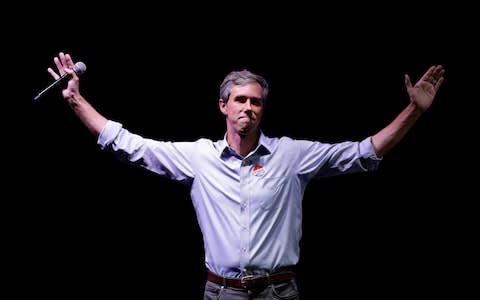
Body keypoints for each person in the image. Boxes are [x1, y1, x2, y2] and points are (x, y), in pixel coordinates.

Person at [44, 52, 444, 299]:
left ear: (262, 110)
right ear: (223, 105)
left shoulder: (291, 156)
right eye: (240, 100)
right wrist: (76, 100)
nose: (248, 107)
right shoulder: (199, 158)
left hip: (278, 291)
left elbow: (362, 153)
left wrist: (415, 111)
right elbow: (130, 145)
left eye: (256, 102)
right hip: (222, 292)